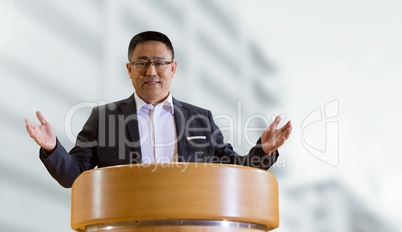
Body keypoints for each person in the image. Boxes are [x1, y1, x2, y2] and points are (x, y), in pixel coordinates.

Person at [25, 31, 292, 188]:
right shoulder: (104, 118)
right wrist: (52, 148)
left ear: (173, 68)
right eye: (142, 63)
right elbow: (74, 176)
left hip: (191, 229)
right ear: (129, 69)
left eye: (160, 63)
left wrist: (263, 151)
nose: (151, 71)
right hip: (126, 229)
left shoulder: (200, 118)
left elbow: (233, 168)